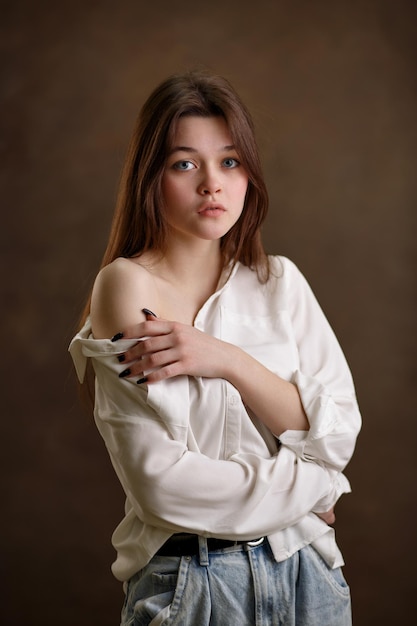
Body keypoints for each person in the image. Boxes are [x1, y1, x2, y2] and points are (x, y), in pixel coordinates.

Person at [69, 70, 361, 626]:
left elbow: (340, 434)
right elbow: (163, 485)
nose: (212, 184)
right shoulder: (127, 286)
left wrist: (226, 359)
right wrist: (316, 482)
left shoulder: (281, 281)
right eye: (185, 164)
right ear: (150, 177)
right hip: (194, 586)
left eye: (229, 161)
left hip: (309, 579)